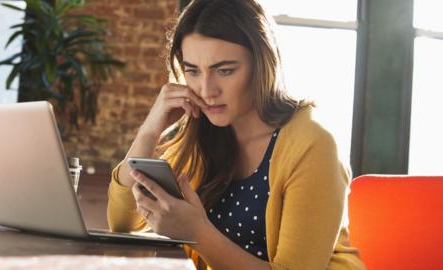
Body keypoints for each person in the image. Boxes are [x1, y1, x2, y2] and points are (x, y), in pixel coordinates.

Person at [107, 0, 365, 269]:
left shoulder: (313, 143)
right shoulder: (206, 130)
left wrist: (198, 233)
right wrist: (150, 130)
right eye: (192, 71)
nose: (207, 90)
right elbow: (123, 223)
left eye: (224, 70)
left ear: (262, 64)